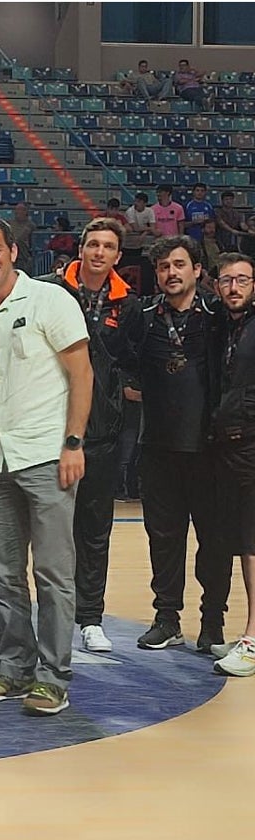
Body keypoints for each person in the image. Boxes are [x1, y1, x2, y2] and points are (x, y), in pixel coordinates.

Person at [0, 215, 92, 716]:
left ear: (13, 251)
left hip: (46, 455)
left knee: (55, 573)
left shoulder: (51, 299)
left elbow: (81, 372)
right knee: (4, 574)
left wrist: (73, 442)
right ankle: (14, 669)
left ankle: (53, 678)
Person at [127, 235, 231, 652]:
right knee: (164, 539)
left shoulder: (218, 316)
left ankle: (212, 623)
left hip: (209, 449)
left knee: (214, 542)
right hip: (158, 447)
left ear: (197, 270)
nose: (171, 273)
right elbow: (119, 359)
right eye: (164, 267)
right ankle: (167, 618)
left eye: (179, 265)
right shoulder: (145, 315)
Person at [47, 217, 139, 653]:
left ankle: (90, 617)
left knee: (94, 529)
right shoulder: (48, 291)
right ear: (79, 249)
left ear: (118, 256)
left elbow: (134, 364)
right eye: (92, 244)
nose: (99, 252)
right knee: (49, 531)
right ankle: (52, 613)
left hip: (101, 434)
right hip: (49, 429)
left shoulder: (130, 306)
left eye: (108, 247)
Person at [211, 253, 255, 677]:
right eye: (227, 280)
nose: (235, 287)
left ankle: (254, 638)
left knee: (253, 547)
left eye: (243, 279)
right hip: (231, 448)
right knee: (244, 543)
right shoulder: (225, 327)